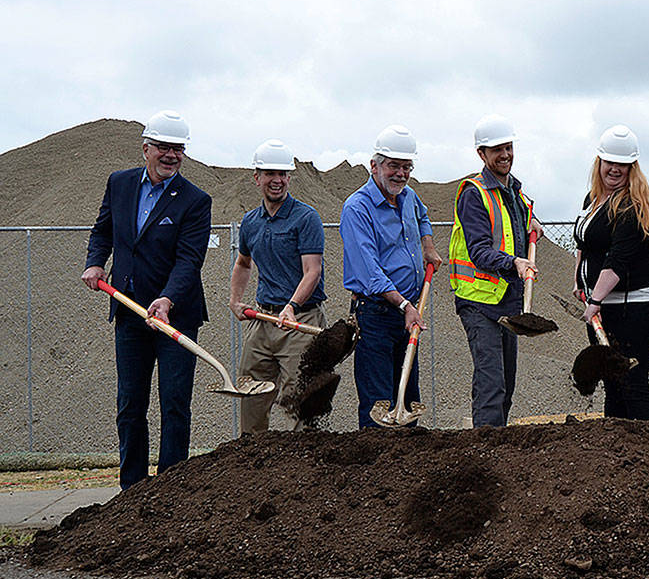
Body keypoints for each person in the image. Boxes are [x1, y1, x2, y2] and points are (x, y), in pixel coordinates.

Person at [81, 110, 212, 489]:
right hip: (129, 309)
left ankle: (170, 487)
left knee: (174, 406)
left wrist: (168, 299)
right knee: (130, 406)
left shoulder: (195, 200)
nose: (171, 155)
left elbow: (190, 260)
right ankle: (133, 488)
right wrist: (95, 263)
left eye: (178, 149)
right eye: (164, 147)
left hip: (175, 317)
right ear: (146, 149)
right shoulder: (119, 184)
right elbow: (102, 231)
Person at [339, 124, 444, 428]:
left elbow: (423, 216)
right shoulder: (357, 208)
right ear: (375, 166)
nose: (400, 173)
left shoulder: (409, 197)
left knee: (407, 398)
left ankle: (406, 470)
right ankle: (376, 471)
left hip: (407, 310)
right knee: (379, 404)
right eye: (393, 166)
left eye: (406, 167)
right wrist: (405, 306)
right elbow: (370, 273)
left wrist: (428, 246)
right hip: (375, 315)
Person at [448, 114, 542, 427]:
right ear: (482, 154)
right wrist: (513, 263)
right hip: (478, 302)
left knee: (507, 386)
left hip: (506, 300)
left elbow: (512, 227)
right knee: (491, 384)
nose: (505, 155)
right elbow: (478, 250)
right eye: (496, 149)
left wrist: (531, 223)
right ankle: (486, 453)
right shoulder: (474, 193)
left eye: (509, 147)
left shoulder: (513, 191)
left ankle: (499, 448)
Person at [228, 139, 326, 433]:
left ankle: (303, 465)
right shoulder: (250, 222)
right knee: (251, 392)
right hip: (263, 320)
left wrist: (292, 308)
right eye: (270, 173)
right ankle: (250, 457)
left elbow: (313, 271)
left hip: (300, 321)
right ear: (256, 177)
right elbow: (243, 264)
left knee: (301, 398)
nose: (278, 180)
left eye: (283, 174)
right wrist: (235, 301)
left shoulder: (305, 217)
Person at [573, 125, 649, 421]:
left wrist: (595, 299)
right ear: (599, 162)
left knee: (631, 379)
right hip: (601, 302)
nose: (614, 169)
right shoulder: (593, 200)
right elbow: (583, 245)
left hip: (633, 302)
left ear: (631, 167)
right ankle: (618, 451)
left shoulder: (633, 205)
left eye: (621, 164)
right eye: (608, 162)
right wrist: (579, 283)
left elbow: (618, 260)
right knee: (611, 381)